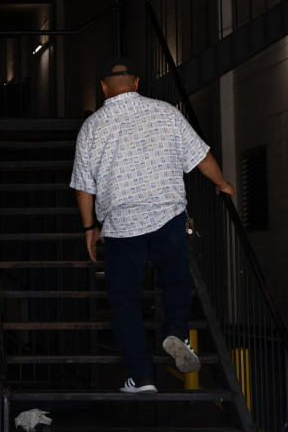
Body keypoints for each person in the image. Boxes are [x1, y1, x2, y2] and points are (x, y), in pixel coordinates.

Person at [69, 56, 235, 394]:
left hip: (120, 225)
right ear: (137, 83)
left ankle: (141, 377)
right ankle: (174, 328)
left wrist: (89, 228)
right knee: (175, 281)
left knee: (125, 301)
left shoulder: (92, 127)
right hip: (167, 215)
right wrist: (224, 183)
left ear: (103, 88)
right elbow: (201, 156)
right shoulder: (167, 113)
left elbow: (84, 187)